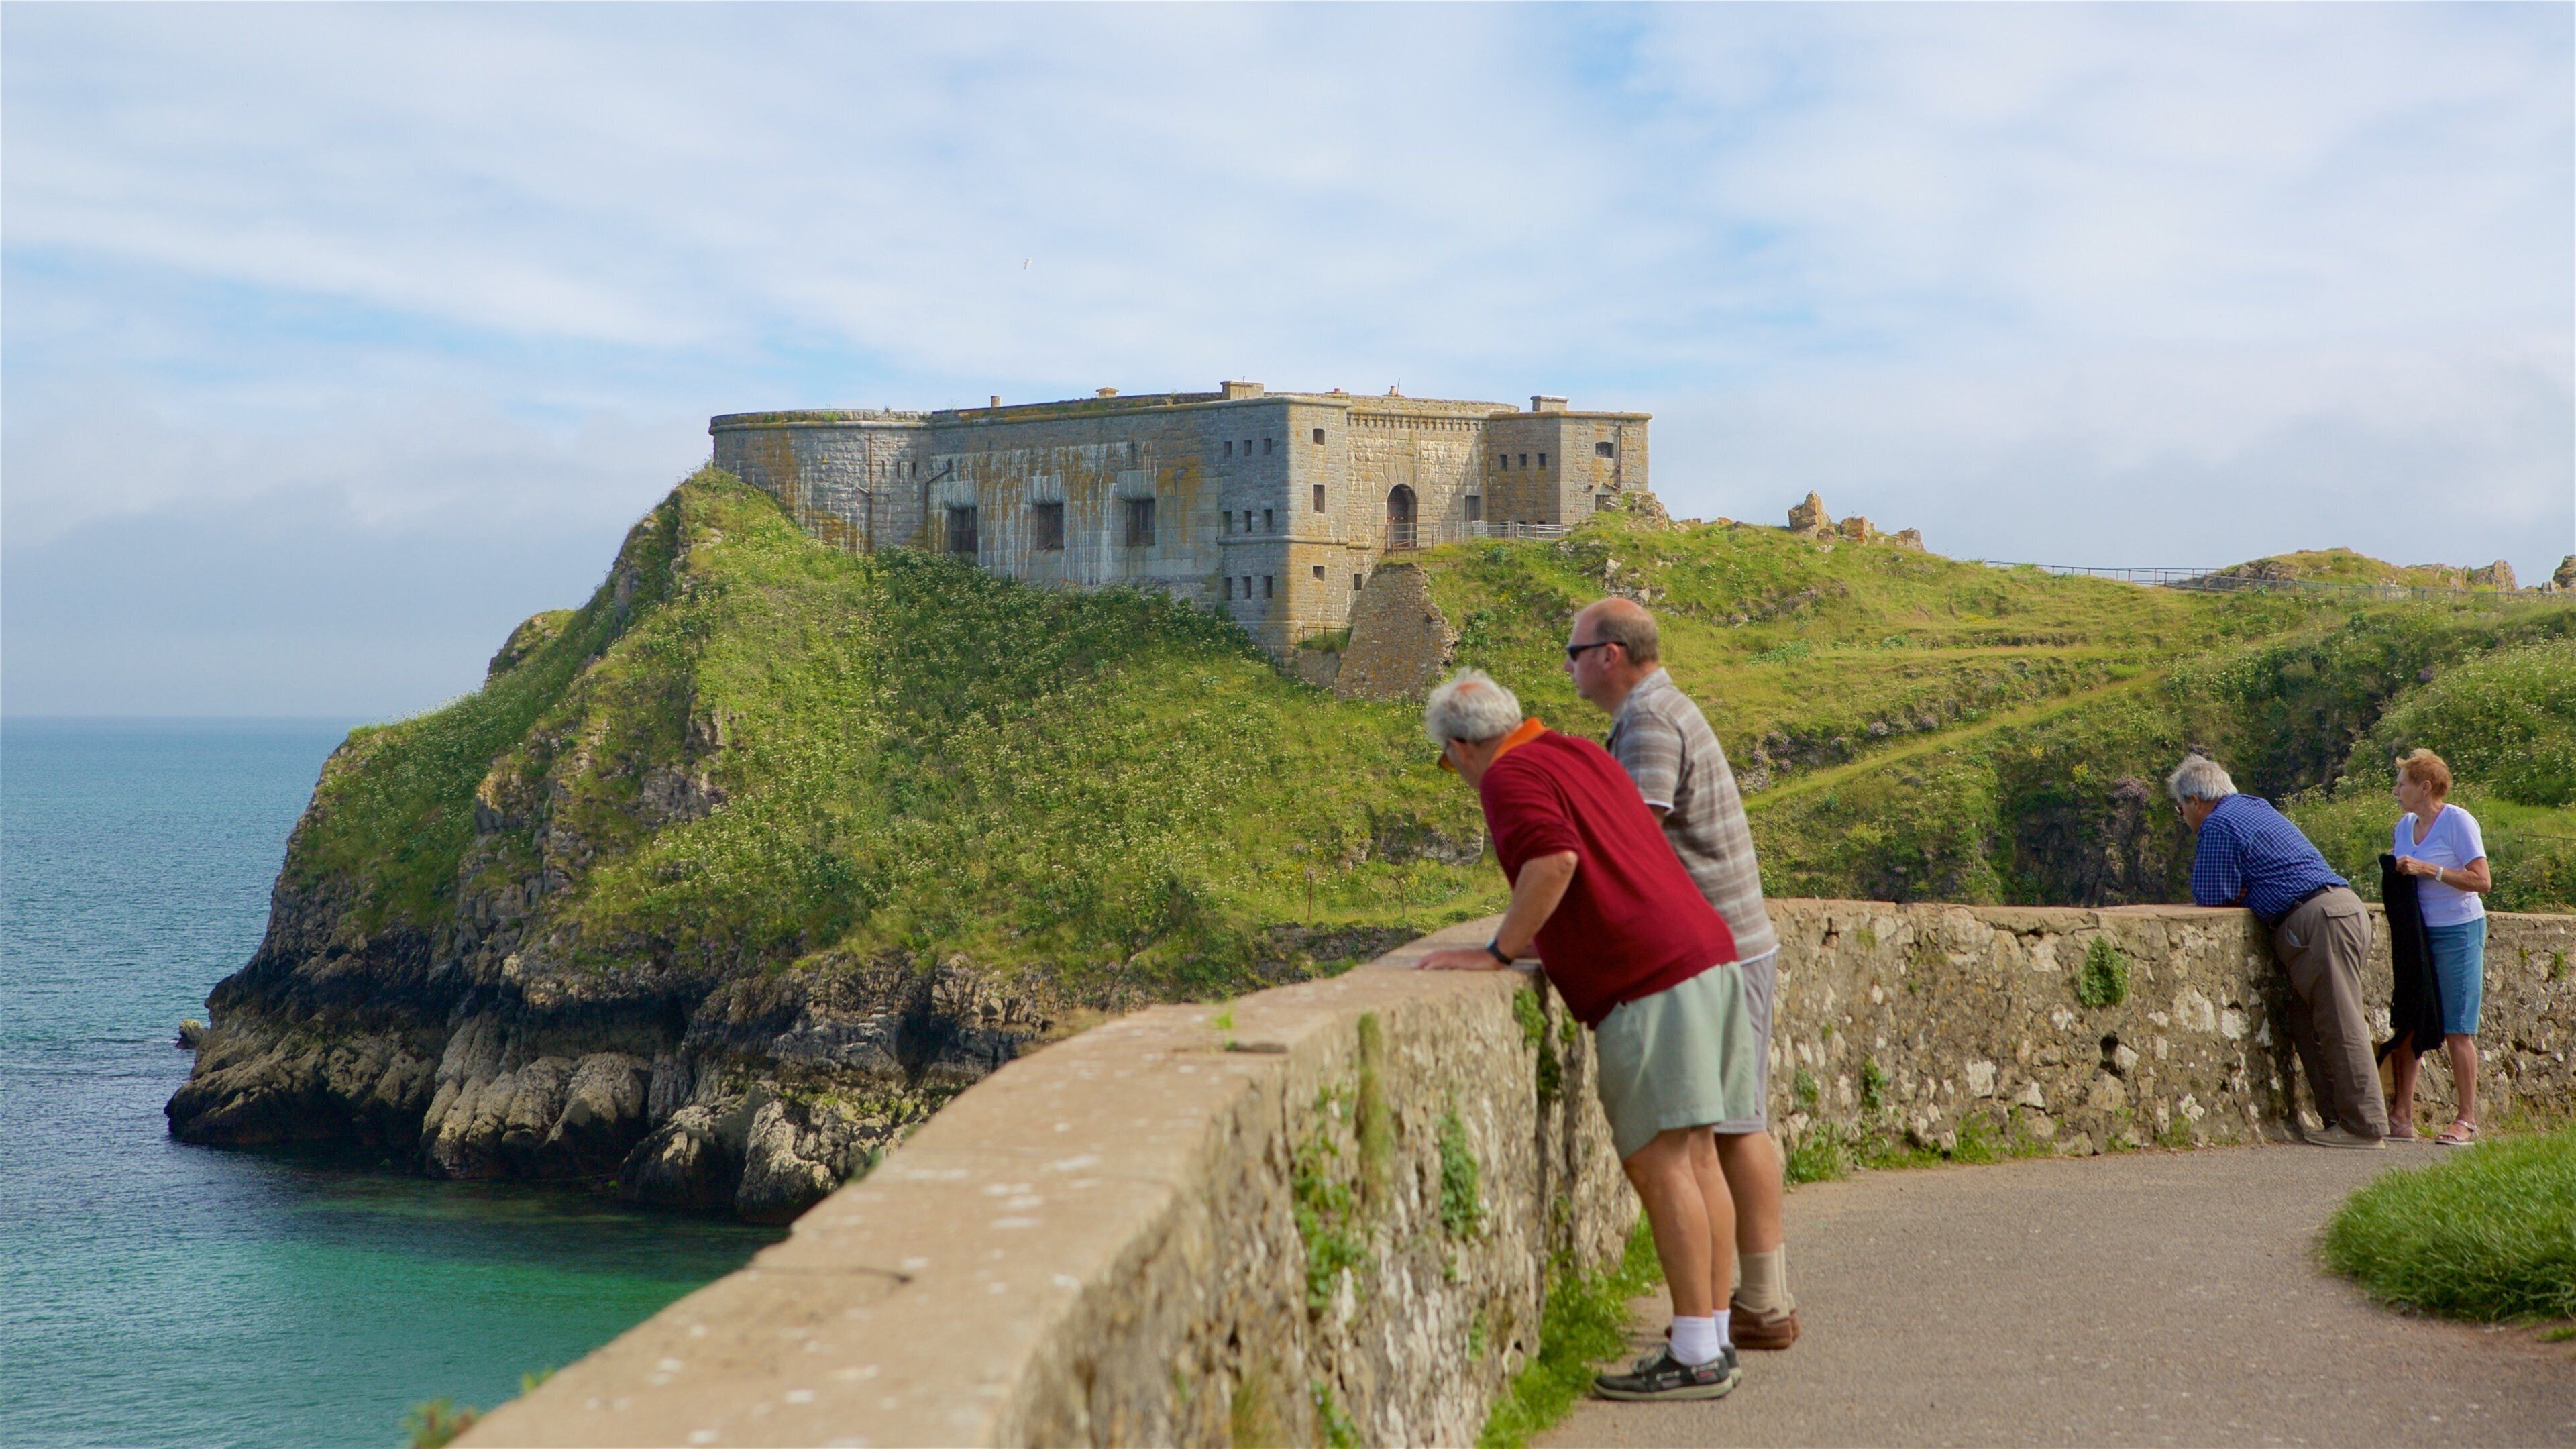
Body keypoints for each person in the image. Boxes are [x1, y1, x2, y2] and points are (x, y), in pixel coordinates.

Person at [1416, 669, 1757, 1403]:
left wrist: (1498, 951)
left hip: (1651, 978)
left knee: (1661, 1162)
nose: (1459, 778)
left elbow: (1556, 861)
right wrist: (1552, 942)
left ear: (1463, 745)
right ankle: (1715, 1335)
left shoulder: (1509, 776)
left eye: (1448, 763)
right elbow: (1598, 865)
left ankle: (1696, 1352)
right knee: (1699, 1156)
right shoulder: (1581, 753)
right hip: (1706, 952)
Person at [1564, 597, 1799, 1350]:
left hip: (1719, 946)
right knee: (1732, 1123)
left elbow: (1635, 837)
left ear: (1610, 655)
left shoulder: (1650, 720)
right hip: (1732, 940)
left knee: (1734, 1125)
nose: (1567, 666)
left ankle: (1761, 1304)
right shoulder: (1658, 708)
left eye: (1574, 653)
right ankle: (1755, 1301)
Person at [2170, 755, 2385, 1147]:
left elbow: (2210, 896)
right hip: (2342, 907)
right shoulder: (2256, 806)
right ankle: (2338, 1120)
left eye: (2180, 807)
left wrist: (2242, 891)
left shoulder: (2218, 824)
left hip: (2315, 921)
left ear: (2196, 800)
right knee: (2308, 1021)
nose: (2182, 816)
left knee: (2340, 1021)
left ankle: (2364, 1127)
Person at [2385, 749, 2491, 1146]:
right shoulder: (2404, 827)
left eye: (2402, 784)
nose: (2396, 791)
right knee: (2411, 1019)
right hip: (2419, 934)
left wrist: (2431, 870)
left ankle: (2466, 1120)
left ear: (2424, 787)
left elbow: (2482, 881)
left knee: (2457, 1028)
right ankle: (2402, 1115)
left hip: (2459, 930)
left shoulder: (2458, 821)